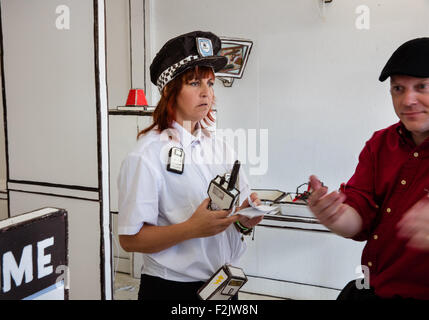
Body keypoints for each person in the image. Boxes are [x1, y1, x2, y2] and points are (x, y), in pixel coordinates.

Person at [117, 31, 263, 301]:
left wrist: (245, 221)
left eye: (210, 83)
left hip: (222, 286)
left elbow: (236, 220)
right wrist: (191, 229)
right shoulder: (146, 156)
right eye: (194, 83)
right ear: (170, 92)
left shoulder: (221, 148)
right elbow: (129, 239)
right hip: (171, 290)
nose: (206, 93)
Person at [308, 37, 429, 300]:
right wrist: (335, 216)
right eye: (398, 88)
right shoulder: (380, 144)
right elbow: (358, 218)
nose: (408, 100)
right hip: (374, 288)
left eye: (422, 87)